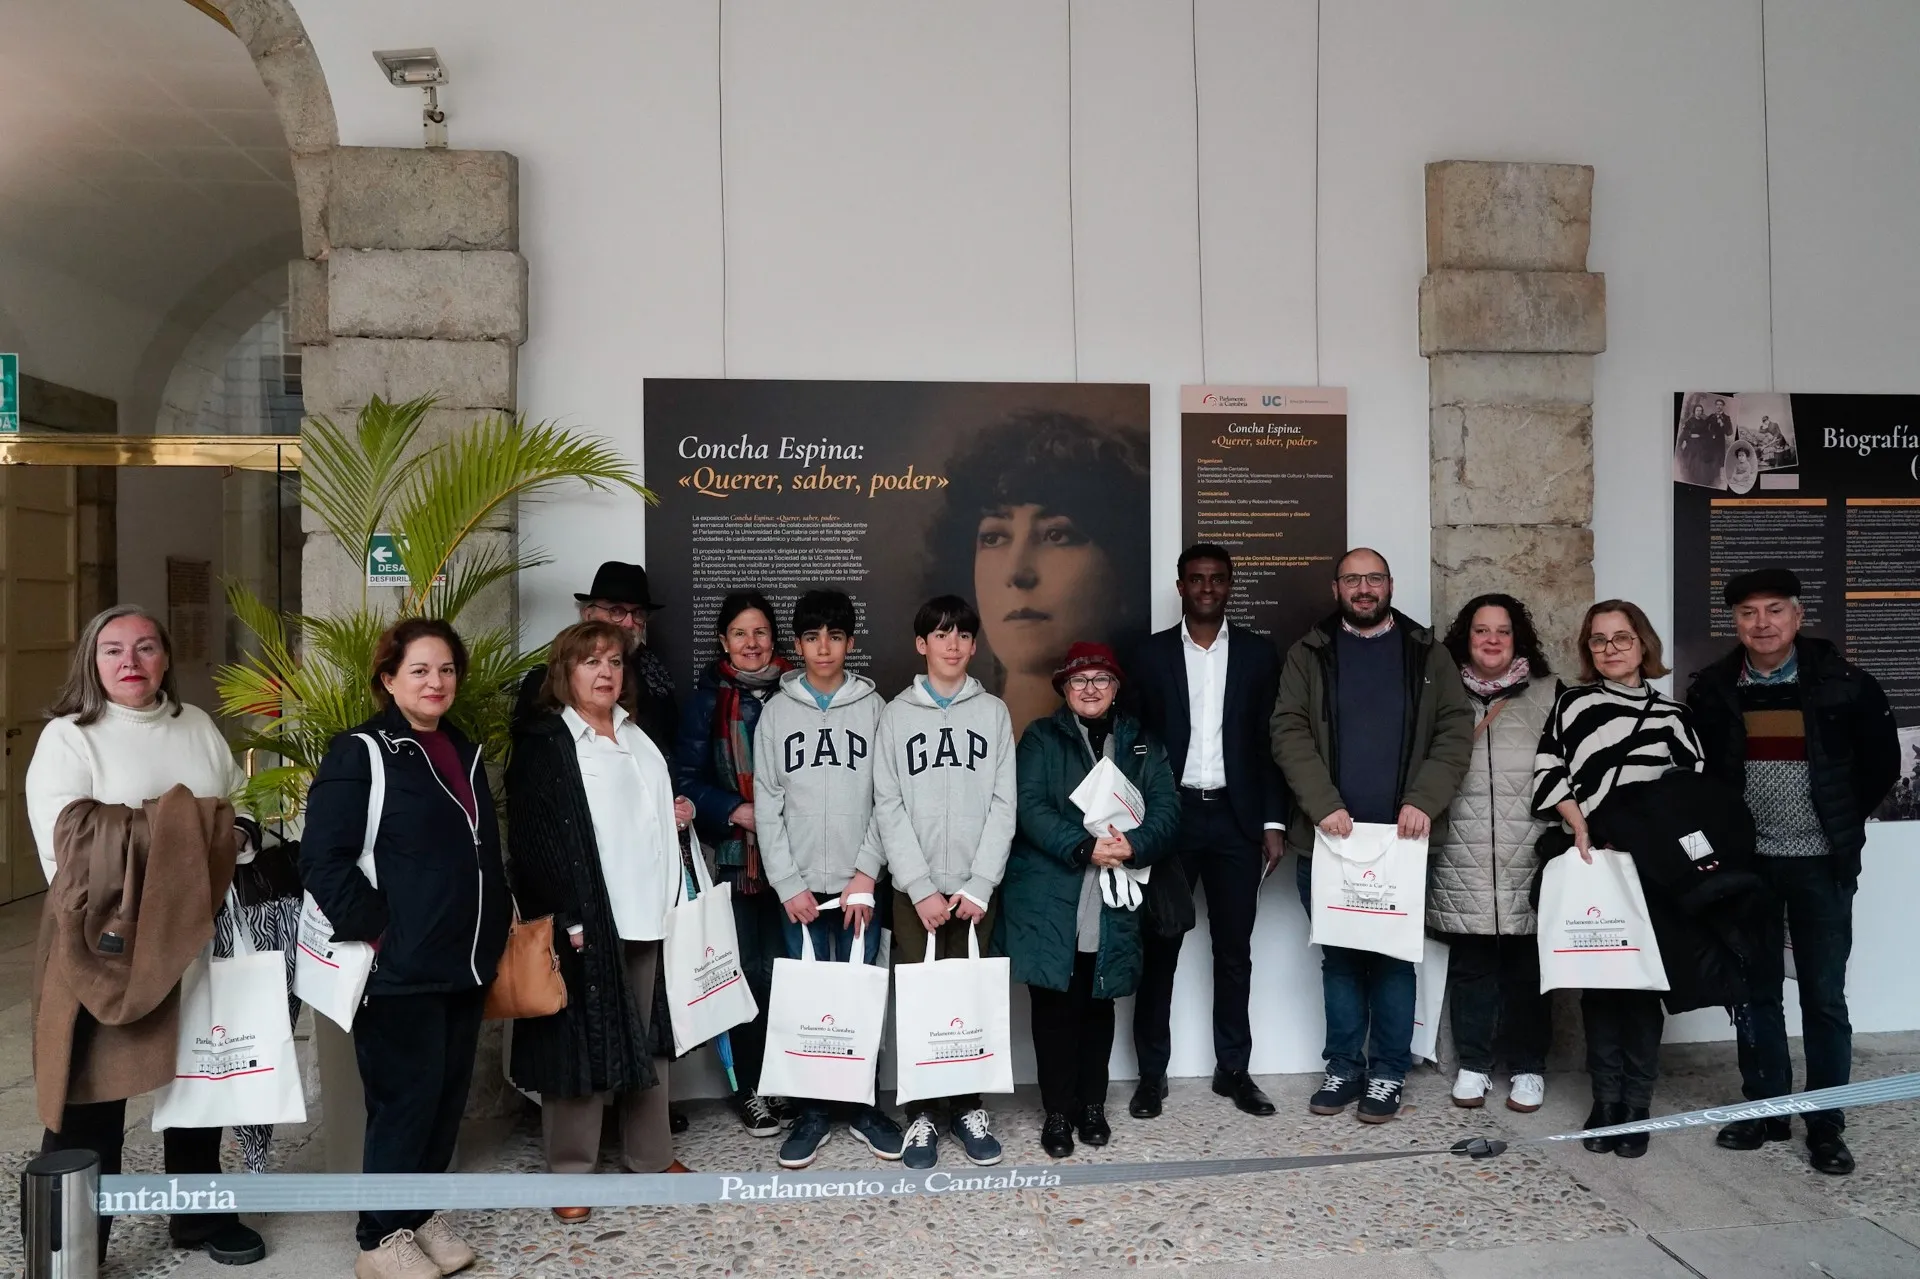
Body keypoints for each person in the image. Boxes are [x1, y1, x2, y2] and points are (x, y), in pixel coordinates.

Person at [26, 605, 266, 1267]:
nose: (130, 662)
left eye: (145, 647)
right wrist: (189, 830)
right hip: (101, 943)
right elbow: (67, 848)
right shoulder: (70, 737)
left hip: (193, 933)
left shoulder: (196, 727)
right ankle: (70, 1237)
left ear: (165, 656)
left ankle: (198, 1220)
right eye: (113, 650)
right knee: (91, 1096)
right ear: (91, 660)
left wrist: (230, 830)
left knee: (198, 1084)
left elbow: (241, 806)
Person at [301, 618, 512, 1279]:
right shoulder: (359, 751)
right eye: (419, 669)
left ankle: (417, 1213)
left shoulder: (464, 751)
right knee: (405, 1100)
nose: (436, 681)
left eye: (446, 669)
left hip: (465, 961)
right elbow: (322, 859)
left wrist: (495, 925)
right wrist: (381, 932)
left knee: (446, 1098)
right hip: (400, 967)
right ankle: (378, 1237)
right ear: (388, 678)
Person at [1687, 568, 1899, 1175]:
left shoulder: (1846, 684)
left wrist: (1832, 820)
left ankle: (1827, 1123)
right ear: (1736, 622)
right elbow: (1704, 779)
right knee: (1755, 995)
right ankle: (1768, 1109)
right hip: (1748, 869)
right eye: (1749, 613)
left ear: (1798, 616)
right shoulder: (1714, 690)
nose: (1762, 624)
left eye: (1774, 610)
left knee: (1824, 997)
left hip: (1820, 864)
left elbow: (1880, 765)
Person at [1270, 548, 1473, 1124]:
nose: (1364, 589)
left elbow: (1455, 731)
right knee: (1339, 958)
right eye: (1353, 579)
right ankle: (1343, 1067)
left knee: (1392, 960)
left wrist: (1424, 801)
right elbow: (1287, 730)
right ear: (1336, 588)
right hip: (1329, 838)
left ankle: (1387, 1073)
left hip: (1402, 843)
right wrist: (1323, 805)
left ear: (1390, 584)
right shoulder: (1309, 653)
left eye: (1374, 578)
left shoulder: (1426, 652)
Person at [506, 621, 697, 1222]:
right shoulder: (545, 743)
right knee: (579, 1046)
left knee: (650, 1042)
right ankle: (571, 1173)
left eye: (614, 661)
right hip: (587, 924)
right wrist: (566, 917)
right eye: (590, 661)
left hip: (647, 915)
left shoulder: (637, 737)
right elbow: (531, 845)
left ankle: (651, 1154)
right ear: (565, 673)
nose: (605, 672)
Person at [1531, 599, 1704, 1159]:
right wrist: (1580, 825)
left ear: (1643, 644)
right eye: (1599, 640)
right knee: (1600, 985)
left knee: (1643, 986)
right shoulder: (1572, 705)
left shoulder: (1673, 715)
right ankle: (1605, 1102)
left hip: (1651, 868)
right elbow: (1548, 769)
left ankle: (1637, 1104)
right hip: (1593, 861)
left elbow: (1691, 793)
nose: (1610, 649)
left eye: (1621, 638)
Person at [1125, 545, 1289, 1120]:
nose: (1207, 588)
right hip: (1171, 821)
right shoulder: (1148, 656)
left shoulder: (1258, 655)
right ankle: (1151, 1076)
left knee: (1234, 953)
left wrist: (1272, 822)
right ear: (1180, 586)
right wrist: (1137, 822)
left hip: (1236, 821)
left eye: (1218, 580)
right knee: (1160, 948)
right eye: (1197, 579)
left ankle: (1234, 1071)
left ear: (1230, 586)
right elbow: (1134, 744)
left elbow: (1271, 745)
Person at [1001, 643, 1178, 1158]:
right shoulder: (1040, 738)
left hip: (1115, 895)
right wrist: (1084, 846)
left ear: (1117, 688)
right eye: (1080, 681)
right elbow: (1029, 807)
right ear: (1064, 689)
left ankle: (1092, 1106)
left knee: (1100, 1003)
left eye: (1102, 679)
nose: (1091, 689)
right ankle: (1058, 1112)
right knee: (1054, 1006)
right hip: (1052, 893)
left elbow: (1166, 809)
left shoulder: (1143, 742)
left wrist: (1135, 844)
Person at [750, 588, 906, 1170]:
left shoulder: (875, 709)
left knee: (863, 991)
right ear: (797, 644)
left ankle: (863, 1106)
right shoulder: (777, 712)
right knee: (806, 1001)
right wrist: (787, 883)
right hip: (800, 890)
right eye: (812, 637)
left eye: (834, 637)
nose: (823, 648)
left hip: (859, 883)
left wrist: (867, 872)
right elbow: (767, 803)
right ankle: (813, 1111)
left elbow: (886, 798)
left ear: (850, 643)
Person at [871, 595, 1018, 1168]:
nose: (951, 644)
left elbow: (1005, 804)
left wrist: (981, 882)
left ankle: (967, 1106)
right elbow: (887, 804)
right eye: (940, 634)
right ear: (921, 644)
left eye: (961, 635)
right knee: (920, 998)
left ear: (974, 645)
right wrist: (918, 885)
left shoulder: (994, 714)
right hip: (917, 888)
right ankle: (925, 1115)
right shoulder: (895, 715)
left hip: (977, 886)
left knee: (970, 997)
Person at [927, 411, 1151, 736]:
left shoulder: (1142, 745)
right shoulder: (939, 737)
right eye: (994, 537)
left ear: (1123, 566)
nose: (1017, 573)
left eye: (1056, 535)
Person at [1428, 594, 1557, 1113]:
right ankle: (1475, 1065)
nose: (1492, 640)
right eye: (1481, 630)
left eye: (1502, 630)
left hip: (1529, 852)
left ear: (1517, 637)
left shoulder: (1551, 694)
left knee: (1530, 969)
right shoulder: (1441, 694)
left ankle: (1528, 1067)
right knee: (1472, 967)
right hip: (1462, 853)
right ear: (1466, 637)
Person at [673, 591, 794, 1136]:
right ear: (723, 641)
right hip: (736, 862)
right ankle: (750, 1089)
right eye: (740, 634)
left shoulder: (797, 693)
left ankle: (788, 1081)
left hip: (800, 859)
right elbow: (685, 780)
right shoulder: (706, 703)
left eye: (761, 633)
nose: (752, 644)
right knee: (746, 976)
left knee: (789, 977)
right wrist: (735, 810)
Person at [514, 561, 678, 756]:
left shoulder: (655, 673)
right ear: (588, 614)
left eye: (638, 613)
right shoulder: (546, 678)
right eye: (616, 610)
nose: (628, 622)